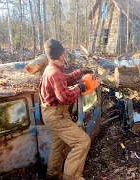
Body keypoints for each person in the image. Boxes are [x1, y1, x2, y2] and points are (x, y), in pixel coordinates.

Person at [40, 39, 99, 180]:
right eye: (63, 52)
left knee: (58, 145)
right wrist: (80, 88)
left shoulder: (51, 70)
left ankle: (52, 175)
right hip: (56, 115)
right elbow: (65, 98)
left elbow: (64, 79)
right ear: (61, 54)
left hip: (51, 113)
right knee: (82, 142)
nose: (64, 55)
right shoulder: (54, 73)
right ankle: (72, 177)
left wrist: (80, 72)